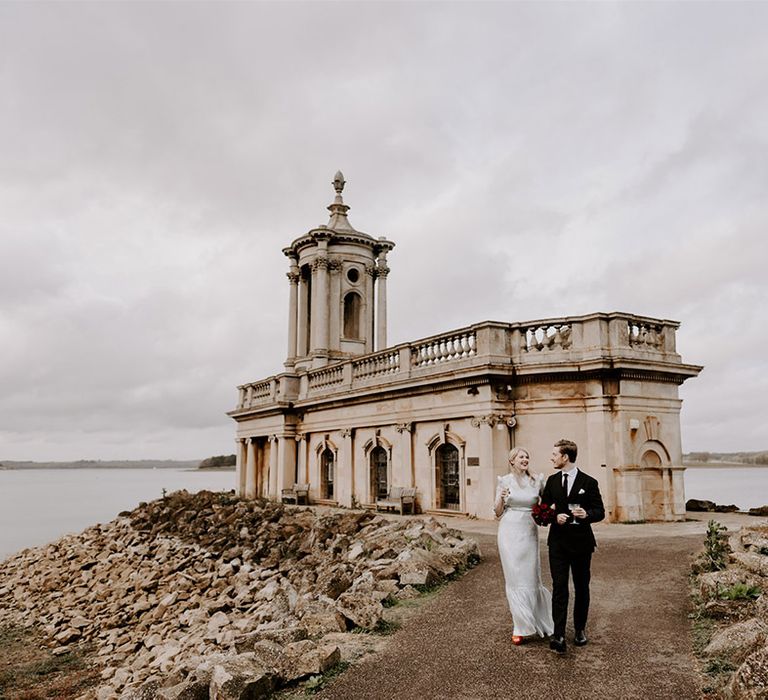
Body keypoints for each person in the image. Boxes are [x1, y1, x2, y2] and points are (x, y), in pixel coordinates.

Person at [541, 438, 605, 654]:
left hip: (581, 544)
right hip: (557, 543)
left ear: (565, 457)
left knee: (581, 587)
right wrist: (553, 516)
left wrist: (587, 514)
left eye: (554, 454)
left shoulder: (589, 482)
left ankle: (579, 630)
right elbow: (541, 510)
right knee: (559, 588)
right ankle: (558, 634)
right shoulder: (551, 481)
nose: (551, 457)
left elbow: (600, 511)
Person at [494, 446, 554, 645]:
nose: (525, 459)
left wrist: (547, 514)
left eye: (527, 456)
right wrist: (501, 498)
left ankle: (538, 621)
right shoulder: (504, 481)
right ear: (512, 461)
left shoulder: (537, 481)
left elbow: (547, 503)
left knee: (530, 577)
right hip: (509, 531)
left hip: (529, 531)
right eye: (521, 457)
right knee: (514, 578)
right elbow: (497, 512)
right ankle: (519, 627)